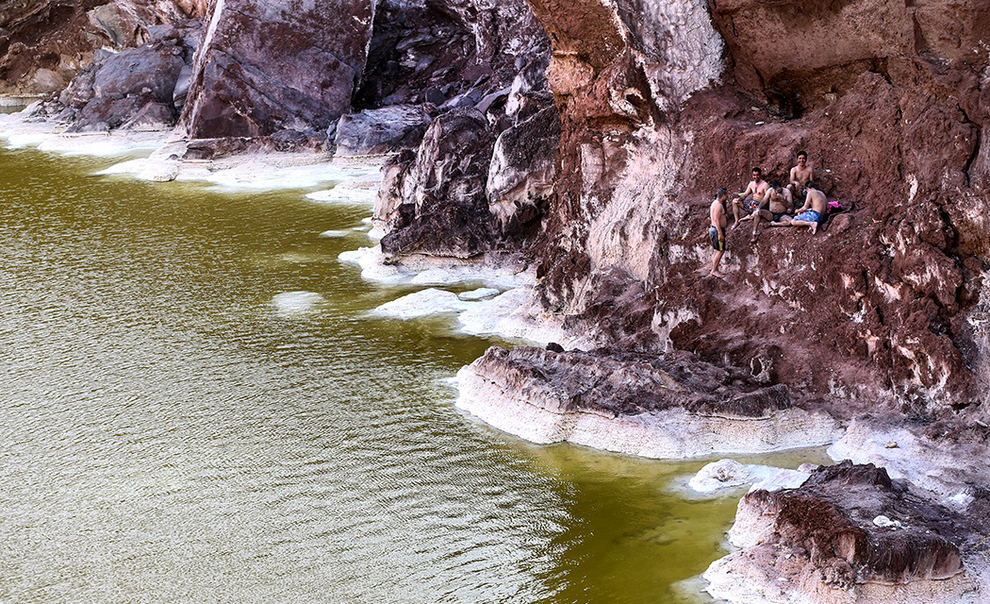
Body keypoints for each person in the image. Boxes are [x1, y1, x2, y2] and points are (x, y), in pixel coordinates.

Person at [709, 188, 729, 277]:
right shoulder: (718, 205)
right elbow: (716, 220)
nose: (727, 196)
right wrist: (720, 233)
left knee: (717, 250)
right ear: (723, 195)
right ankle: (714, 270)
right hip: (717, 230)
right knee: (720, 251)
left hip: (714, 229)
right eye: (726, 195)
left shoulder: (715, 203)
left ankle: (714, 268)